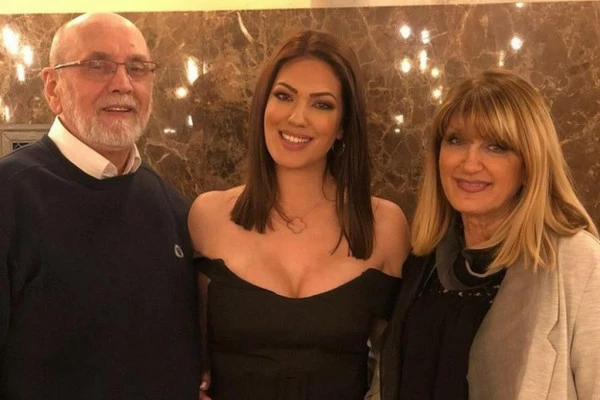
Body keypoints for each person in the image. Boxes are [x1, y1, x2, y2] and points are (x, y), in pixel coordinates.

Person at [188, 30, 410, 400]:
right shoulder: (207, 217)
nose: (297, 117)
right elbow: (181, 348)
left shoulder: (384, 225)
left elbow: (398, 366)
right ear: (263, 105)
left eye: (321, 104)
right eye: (284, 96)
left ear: (343, 126)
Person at [0, 13, 200, 399]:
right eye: (98, 65)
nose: (123, 83)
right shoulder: (9, 198)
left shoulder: (172, 205)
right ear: (52, 87)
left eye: (137, 68)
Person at [374, 69, 600, 399]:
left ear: (530, 165)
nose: (469, 163)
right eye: (456, 141)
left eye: (496, 146)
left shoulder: (576, 260)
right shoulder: (426, 261)